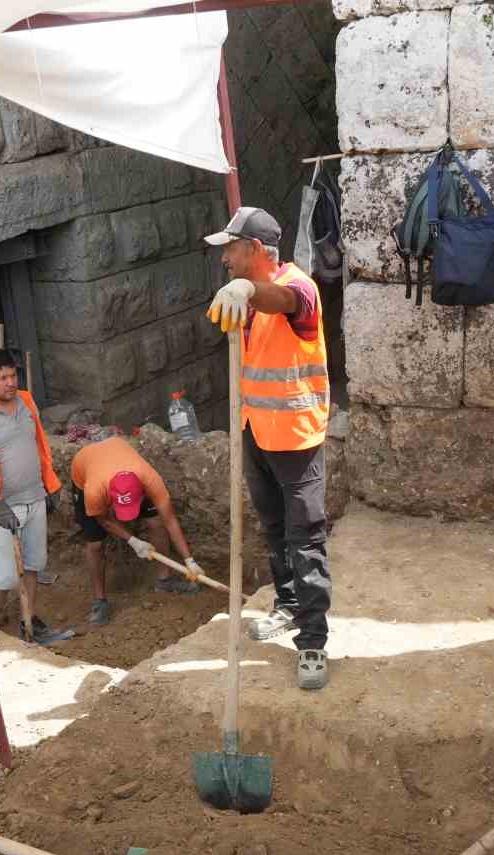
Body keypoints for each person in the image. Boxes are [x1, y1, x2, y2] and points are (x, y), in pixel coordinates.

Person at [205, 206, 332, 691]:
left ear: (254, 250)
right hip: (255, 432)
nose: (225, 262)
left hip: (296, 438)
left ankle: (314, 641)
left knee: (307, 539)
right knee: (275, 530)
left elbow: (284, 300)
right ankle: (289, 606)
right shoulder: (247, 300)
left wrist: (249, 290)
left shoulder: (299, 288)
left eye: (230, 250)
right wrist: (242, 299)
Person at [0, 348, 63, 643]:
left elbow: (39, 447)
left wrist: (50, 486)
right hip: (2, 508)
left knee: (32, 566)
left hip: (34, 499)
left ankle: (29, 624)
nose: (10, 382)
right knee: (3, 576)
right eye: (2, 377)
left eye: (13, 375)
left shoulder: (26, 401)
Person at [70, 434, 204, 624]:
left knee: (156, 523)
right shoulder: (94, 490)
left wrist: (189, 560)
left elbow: (170, 520)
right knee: (95, 544)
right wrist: (133, 541)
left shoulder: (150, 479)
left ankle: (164, 581)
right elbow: (104, 520)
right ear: (111, 498)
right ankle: (100, 601)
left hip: (120, 459)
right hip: (84, 467)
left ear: (142, 493)